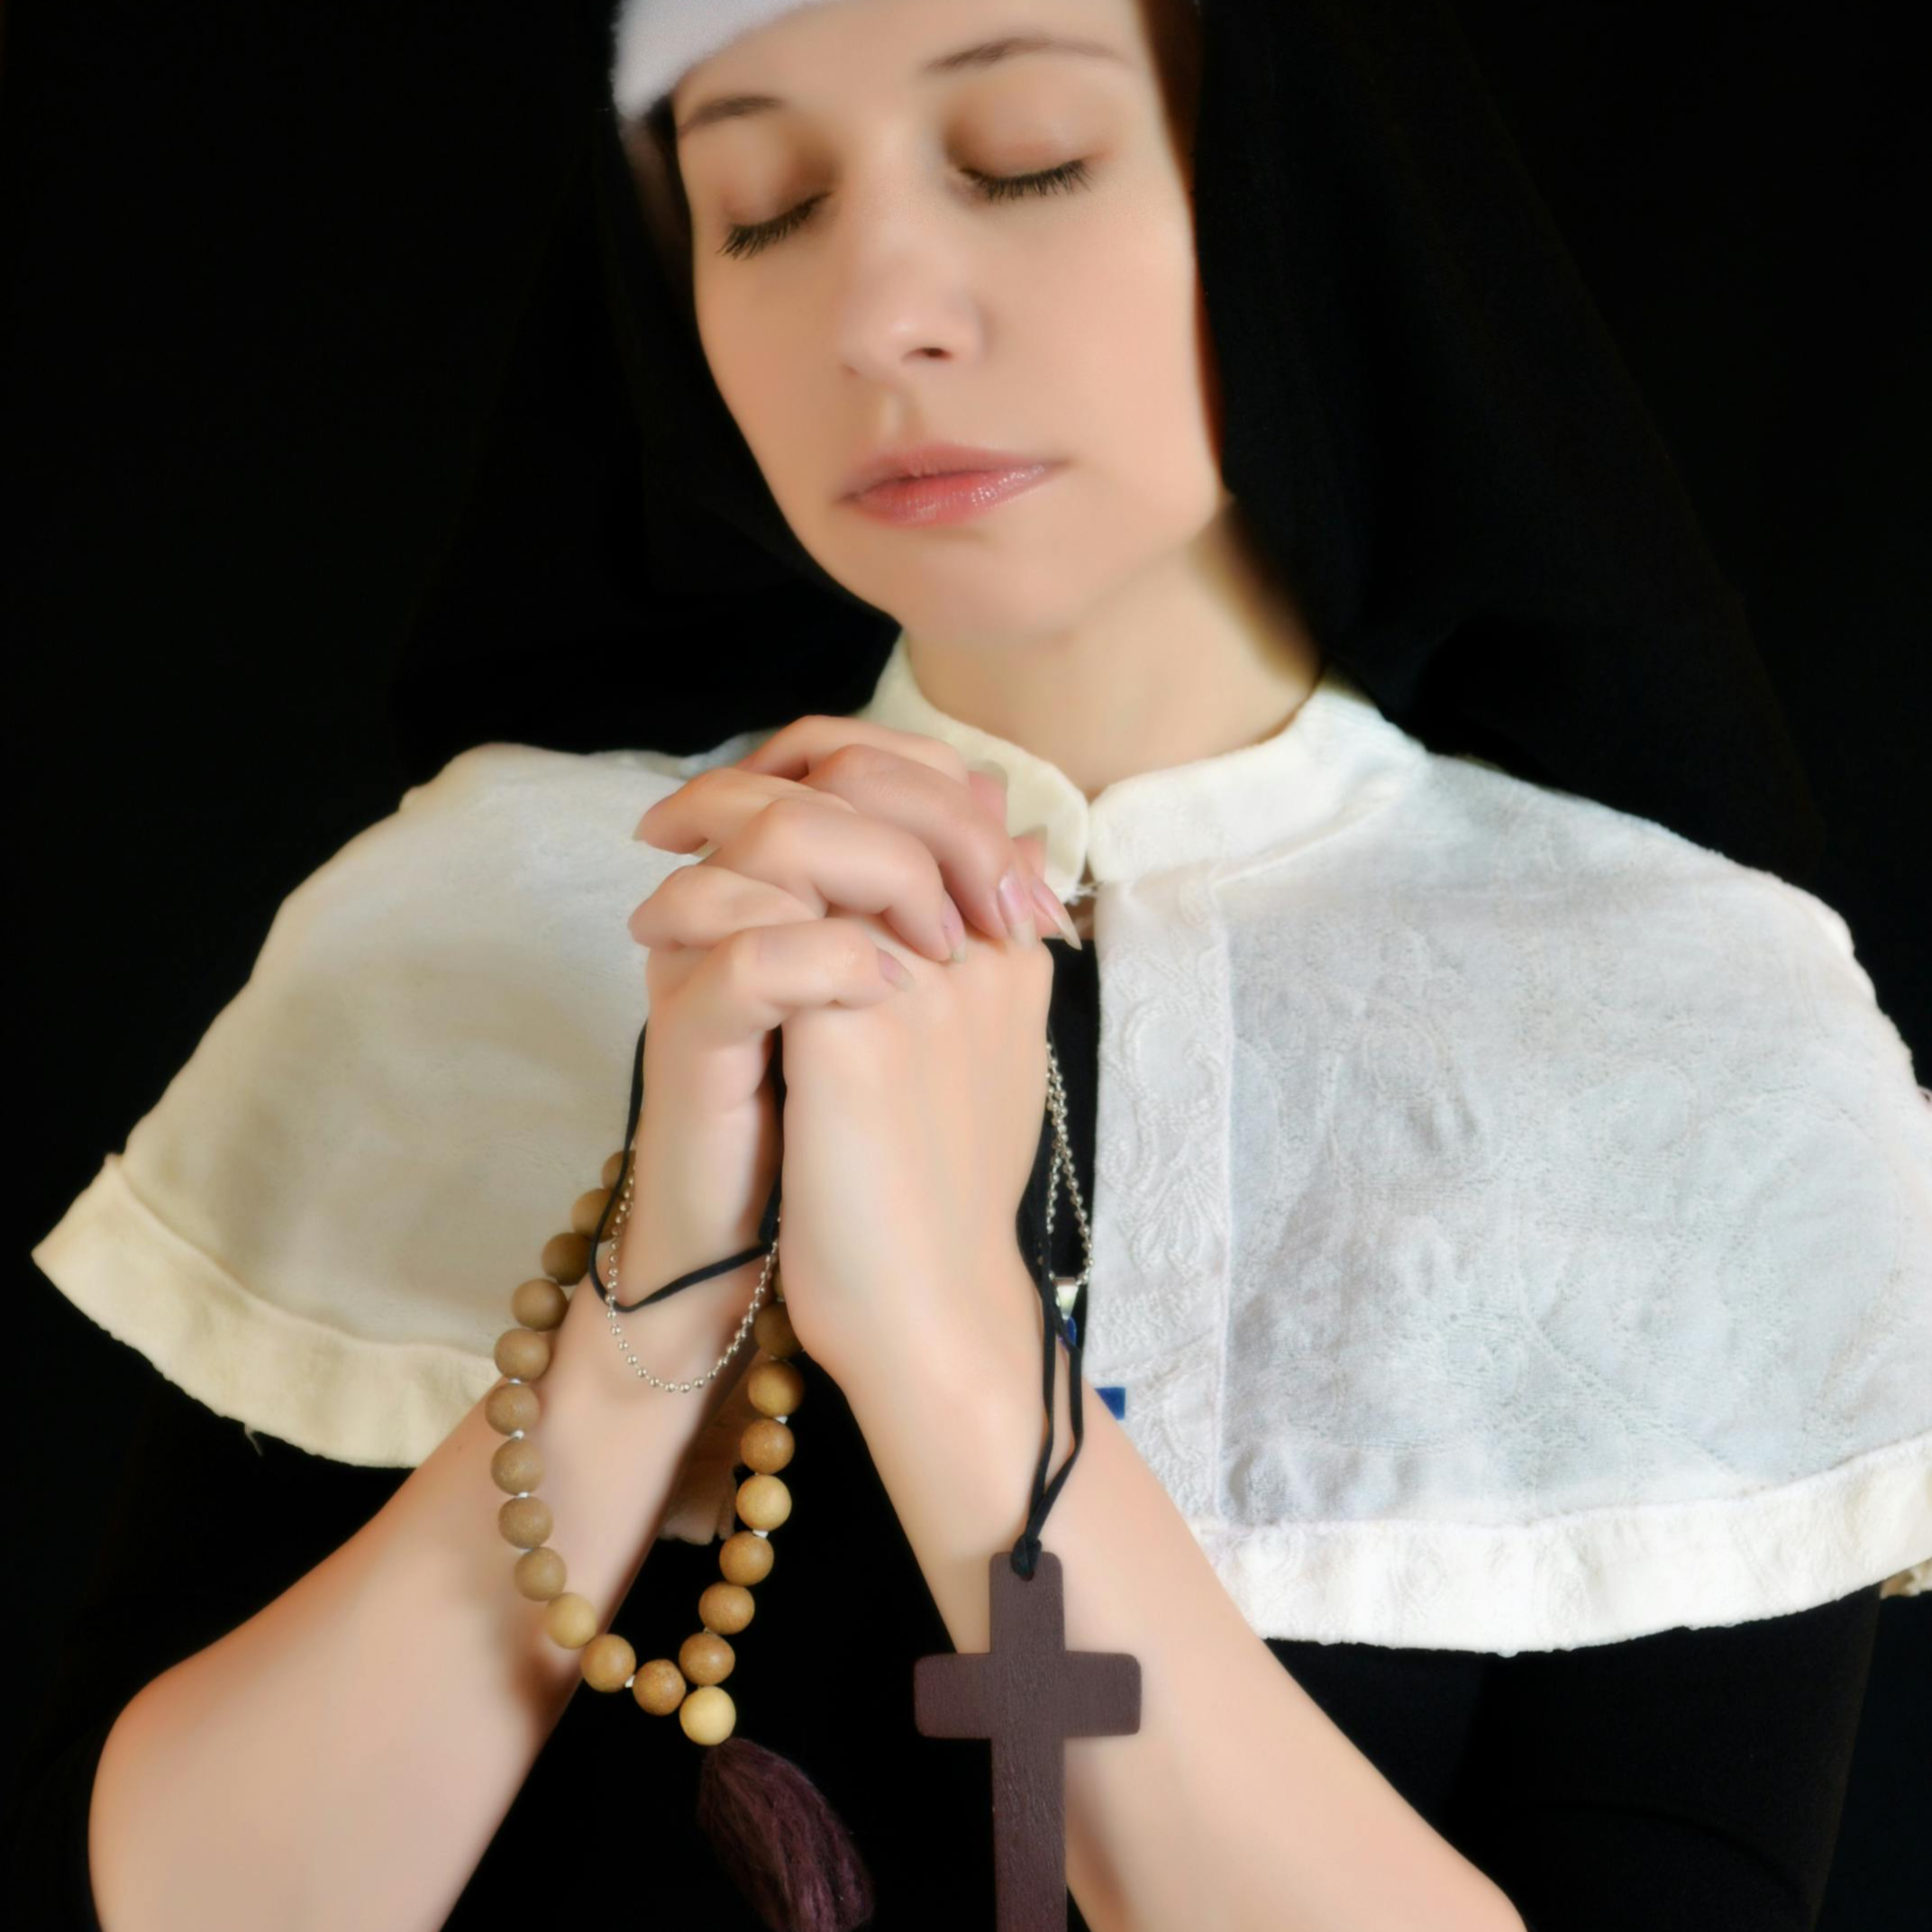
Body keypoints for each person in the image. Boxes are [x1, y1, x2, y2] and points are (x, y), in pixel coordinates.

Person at [14, 2, 1930, 1928]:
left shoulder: (1692, 1029)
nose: (876, 315)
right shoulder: (460, 927)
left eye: (1026, 160)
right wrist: (650, 1298)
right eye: (763, 203)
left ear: (1296, 204)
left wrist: (945, 1338)